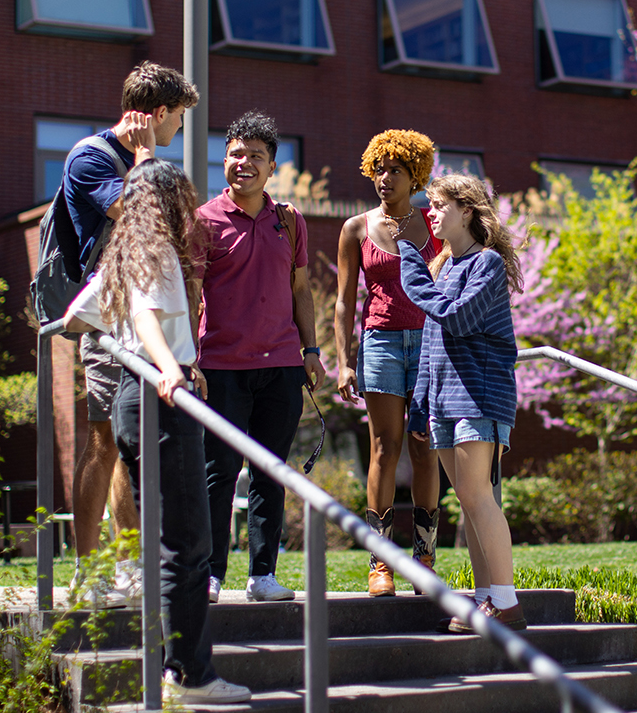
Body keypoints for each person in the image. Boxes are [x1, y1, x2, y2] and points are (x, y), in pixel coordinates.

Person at [63, 159, 249, 703]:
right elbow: (146, 316)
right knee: (188, 541)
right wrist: (171, 366)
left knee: (167, 539)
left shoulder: (121, 251)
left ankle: (173, 668)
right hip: (161, 399)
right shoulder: (156, 250)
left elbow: (77, 316)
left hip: (129, 396)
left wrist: (152, 356)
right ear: (172, 201)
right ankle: (189, 675)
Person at [62, 62, 199, 605]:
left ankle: (130, 566)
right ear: (159, 114)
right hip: (108, 317)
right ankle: (87, 569)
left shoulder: (144, 159)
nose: (179, 131)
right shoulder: (91, 157)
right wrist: (145, 161)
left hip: (143, 310)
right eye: (179, 120)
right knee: (104, 438)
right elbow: (133, 211)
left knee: (132, 441)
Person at [193, 111, 326, 603]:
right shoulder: (203, 221)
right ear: (223, 160)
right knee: (219, 472)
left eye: (255, 156)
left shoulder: (288, 220)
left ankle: (262, 575)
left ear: (272, 167)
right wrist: (187, 357)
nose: (243, 163)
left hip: (282, 366)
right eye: (235, 154)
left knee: (271, 471)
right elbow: (190, 294)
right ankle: (210, 573)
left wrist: (310, 350)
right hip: (222, 367)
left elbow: (300, 288)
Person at [399, 174, 526, 632]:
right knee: (470, 503)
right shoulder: (443, 269)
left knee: (478, 495)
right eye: (428, 206)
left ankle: (507, 604)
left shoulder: (486, 264)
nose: (429, 213)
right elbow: (432, 346)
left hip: (480, 396)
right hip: (444, 401)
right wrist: (420, 405)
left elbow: (457, 318)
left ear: (467, 210)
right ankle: (487, 597)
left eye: (438, 205)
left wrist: (410, 264)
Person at [335, 130, 444, 597]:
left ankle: (424, 557)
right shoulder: (355, 228)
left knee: (425, 448)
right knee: (385, 448)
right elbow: (343, 302)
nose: (385, 177)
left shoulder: (434, 225)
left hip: (427, 344)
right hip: (378, 343)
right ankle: (381, 564)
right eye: (379, 168)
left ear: (415, 175)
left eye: (396, 170)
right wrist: (343, 362)